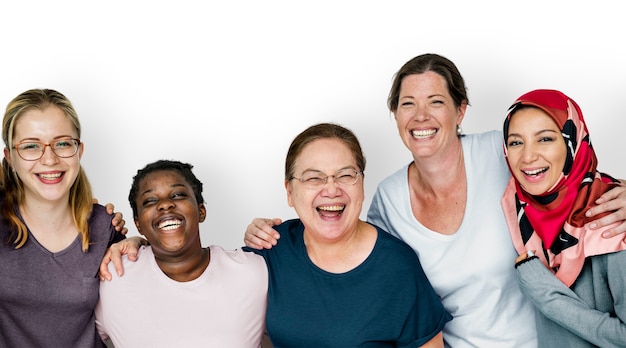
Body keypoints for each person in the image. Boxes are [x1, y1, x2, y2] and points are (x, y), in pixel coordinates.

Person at [240, 54, 626, 347]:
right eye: (408, 103)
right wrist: (275, 234)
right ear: (395, 115)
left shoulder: (502, 151)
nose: (420, 115)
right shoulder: (388, 199)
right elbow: (364, 268)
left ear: (461, 110)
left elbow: (575, 173)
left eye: (436, 101)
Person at [0, 88, 128, 347]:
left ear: (79, 151)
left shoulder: (105, 225)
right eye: (31, 146)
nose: (49, 159)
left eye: (62, 143)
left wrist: (138, 243)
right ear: (10, 158)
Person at [95, 159, 268, 347]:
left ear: (201, 211)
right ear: (138, 224)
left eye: (177, 195)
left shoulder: (252, 271)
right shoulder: (114, 277)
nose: (165, 205)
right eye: (150, 200)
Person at [501, 89, 626, 347]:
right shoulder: (518, 208)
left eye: (545, 139)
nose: (527, 156)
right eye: (515, 142)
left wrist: (546, 294)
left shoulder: (613, 220)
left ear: (573, 141)